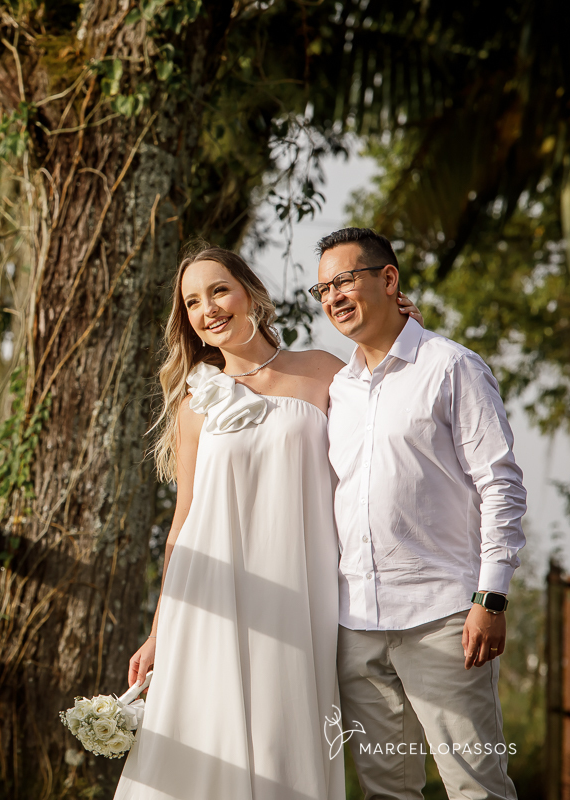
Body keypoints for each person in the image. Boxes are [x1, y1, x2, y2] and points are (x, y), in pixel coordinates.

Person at [113, 246, 418, 800]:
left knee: (286, 734)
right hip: (210, 593)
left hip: (301, 592)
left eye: (219, 290)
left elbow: (391, 411)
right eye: (192, 302)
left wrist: (403, 328)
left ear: (251, 293)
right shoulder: (194, 404)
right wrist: (159, 629)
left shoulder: (324, 371)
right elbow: (183, 522)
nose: (208, 309)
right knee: (207, 733)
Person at [314, 228, 526, 800]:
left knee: (475, 787)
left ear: (388, 279)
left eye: (344, 281)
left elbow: (500, 483)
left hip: (444, 619)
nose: (333, 297)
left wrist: (491, 597)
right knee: (385, 792)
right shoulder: (338, 389)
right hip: (356, 625)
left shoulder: (451, 366)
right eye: (323, 289)